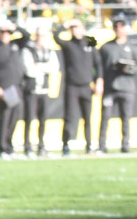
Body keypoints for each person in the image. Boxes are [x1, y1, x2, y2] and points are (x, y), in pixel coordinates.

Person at [55, 19, 102, 156]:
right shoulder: (68, 44)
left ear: (82, 28)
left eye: (77, 27)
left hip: (87, 86)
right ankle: (65, 145)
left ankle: (90, 145)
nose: (75, 30)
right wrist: (65, 25)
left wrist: (99, 80)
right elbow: (56, 37)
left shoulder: (90, 41)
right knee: (70, 117)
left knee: (88, 117)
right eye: (73, 28)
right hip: (72, 87)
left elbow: (98, 63)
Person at [0, 22, 27, 159]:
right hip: (4, 88)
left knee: (15, 118)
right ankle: (2, 148)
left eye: (8, 33)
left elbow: (27, 36)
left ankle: (9, 146)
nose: (5, 35)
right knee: (4, 118)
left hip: (16, 87)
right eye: (3, 33)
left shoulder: (14, 45)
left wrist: (15, 27)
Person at [98, 17, 136, 153]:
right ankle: (102, 145)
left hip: (127, 87)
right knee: (105, 117)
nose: (119, 29)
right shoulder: (106, 47)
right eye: (116, 26)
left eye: (121, 26)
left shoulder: (132, 46)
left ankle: (125, 145)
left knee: (125, 118)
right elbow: (99, 67)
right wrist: (99, 80)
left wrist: (129, 68)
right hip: (110, 87)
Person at [20, 27, 59, 157]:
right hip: (32, 89)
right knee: (29, 118)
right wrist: (44, 67)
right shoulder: (28, 50)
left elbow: (54, 67)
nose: (40, 38)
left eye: (42, 36)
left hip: (44, 89)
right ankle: (27, 146)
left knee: (43, 119)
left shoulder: (49, 51)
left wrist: (39, 66)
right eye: (38, 35)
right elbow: (29, 70)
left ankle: (41, 145)